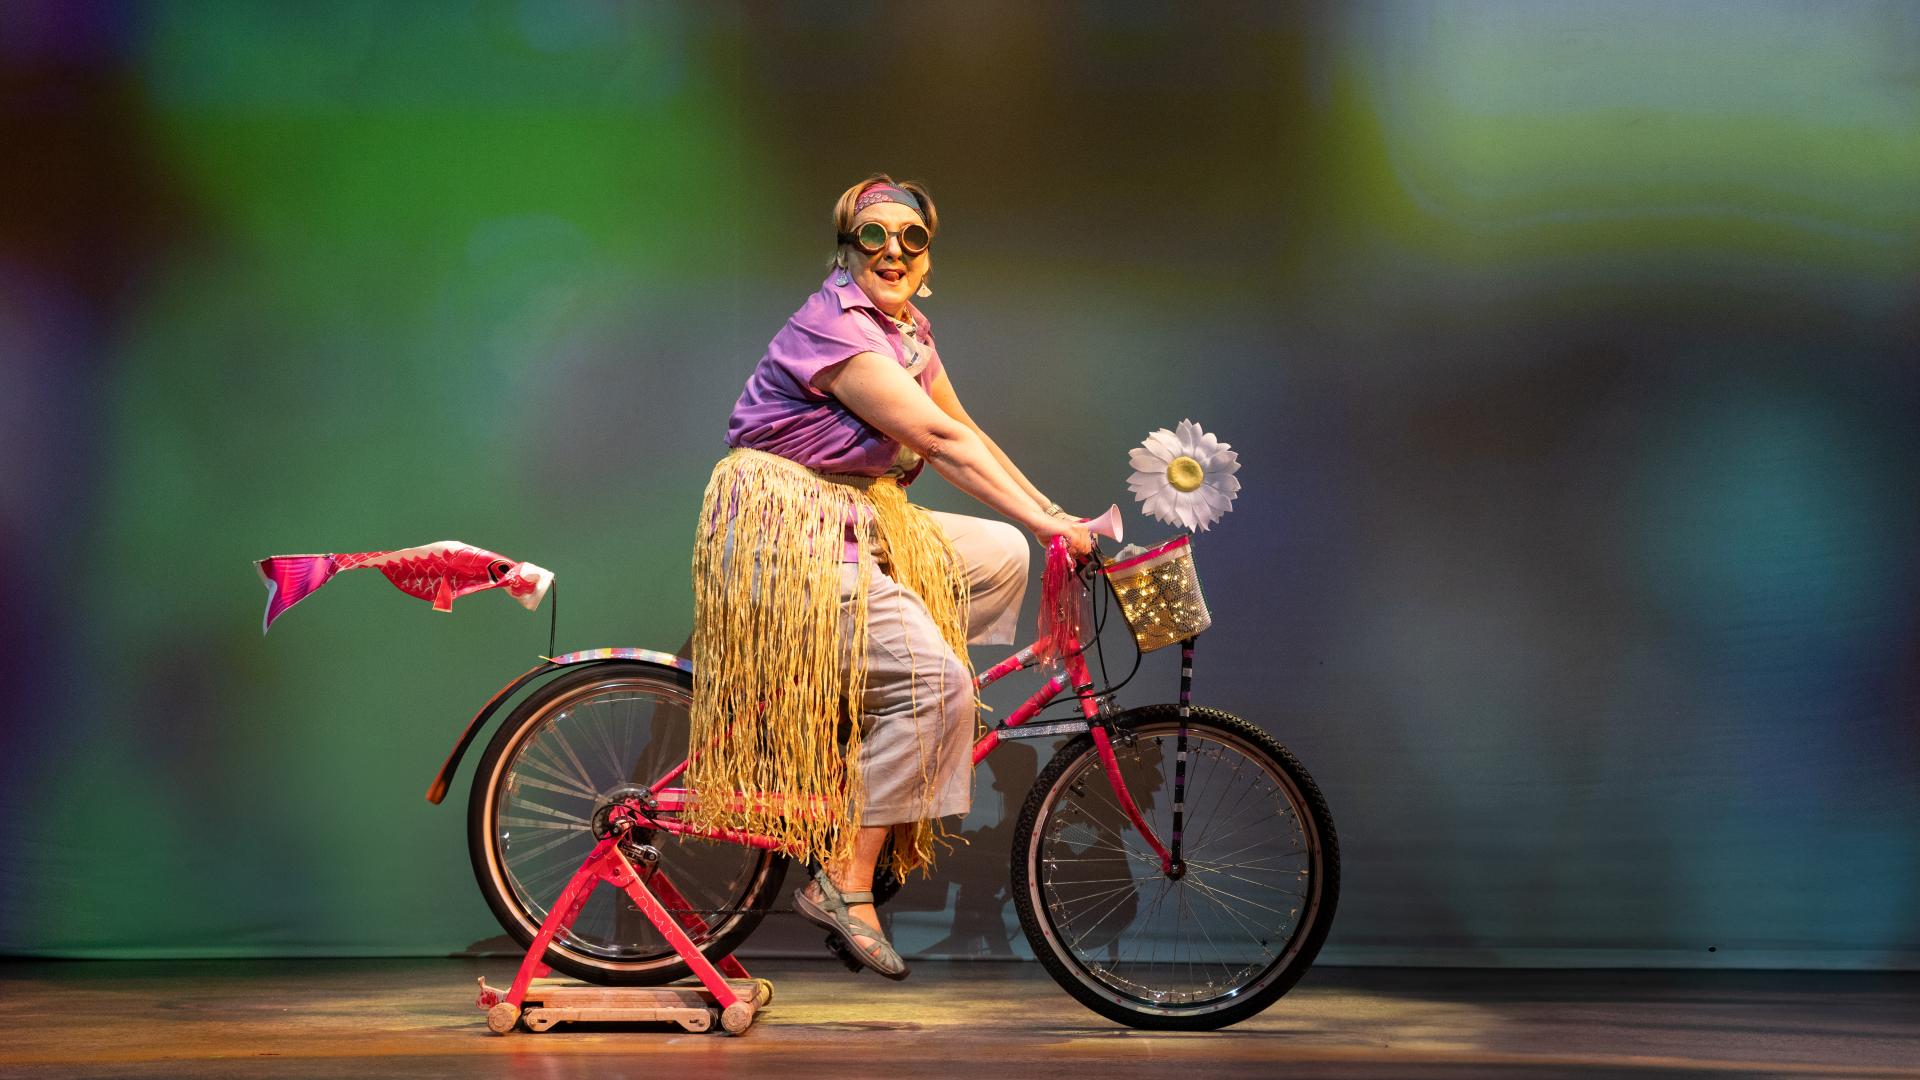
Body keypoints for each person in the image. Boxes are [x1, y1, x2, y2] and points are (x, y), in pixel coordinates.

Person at [688, 174, 1091, 980]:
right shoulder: (838, 329)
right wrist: (1051, 520)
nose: (894, 252)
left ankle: (890, 737)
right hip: (787, 530)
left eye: (911, 237)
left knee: (1003, 555)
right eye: (875, 236)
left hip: (856, 515)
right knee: (937, 686)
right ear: (847, 248)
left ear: (927, 253)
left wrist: (1049, 519)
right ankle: (846, 874)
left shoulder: (907, 333)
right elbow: (937, 441)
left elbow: (967, 432)